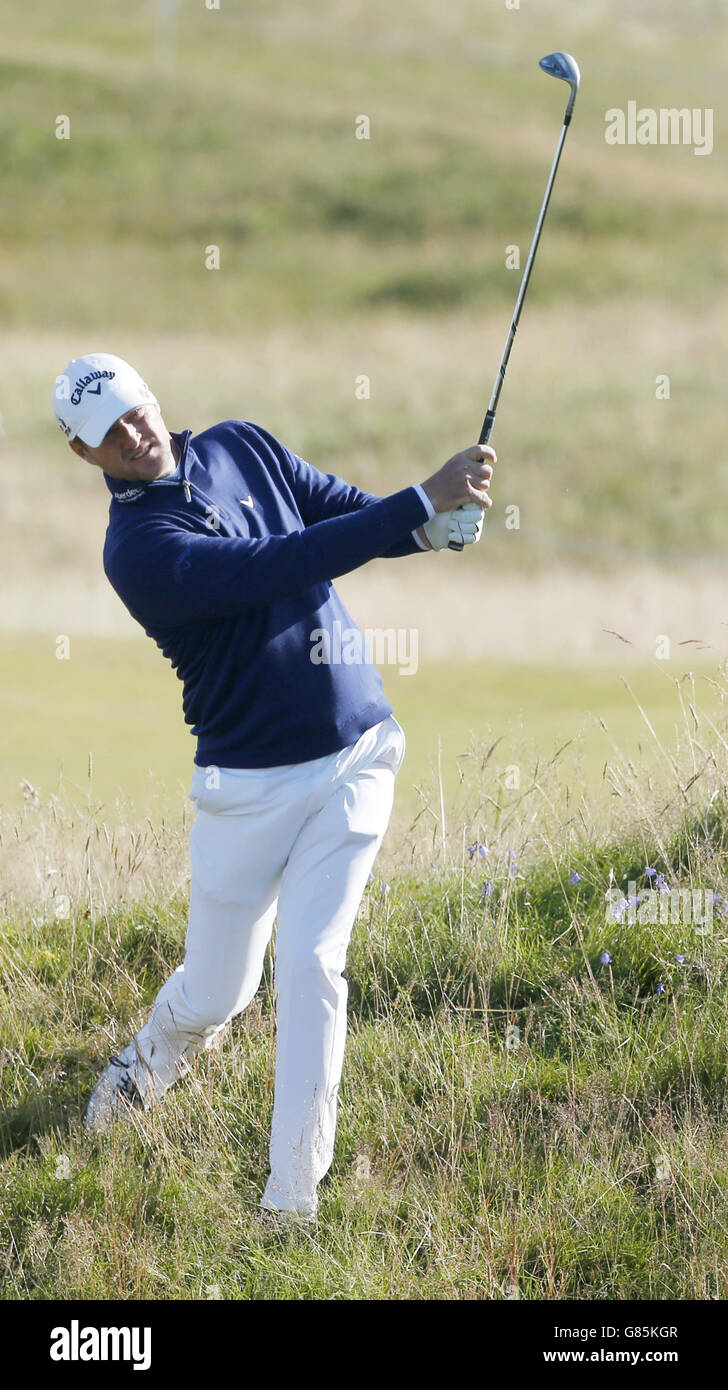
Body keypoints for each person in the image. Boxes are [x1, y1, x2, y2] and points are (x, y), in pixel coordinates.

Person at [52, 351, 495, 1227]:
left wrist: (431, 528)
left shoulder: (241, 445)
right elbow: (279, 563)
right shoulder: (136, 552)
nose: (133, 436)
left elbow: (343, 516)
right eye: (108, 433)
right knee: (221, 993)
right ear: (84, 453)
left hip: (358, 751)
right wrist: (421, 500)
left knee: (312, 963)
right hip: (246, 787)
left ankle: (291, 1201)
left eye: (135, 412)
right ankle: (144, 1067)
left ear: (151, 397)